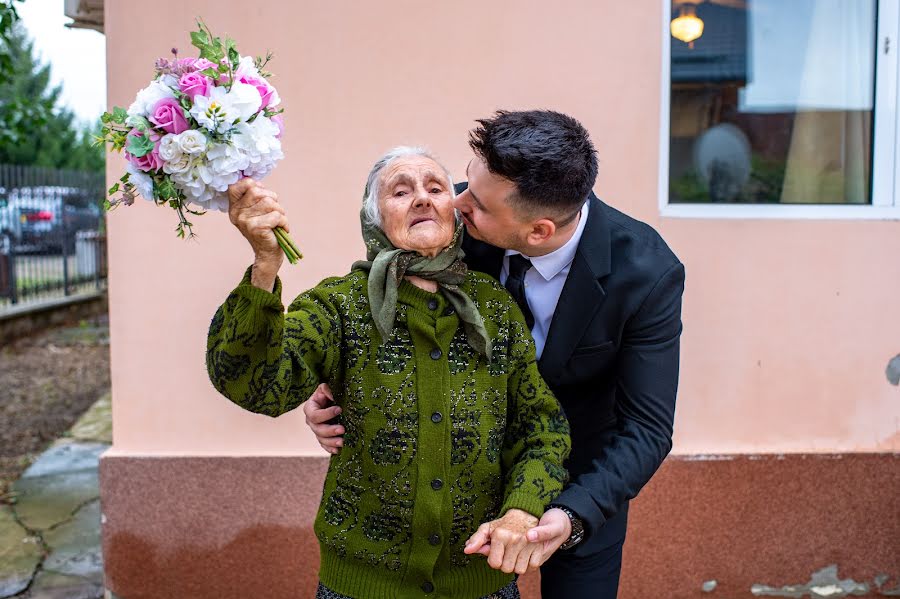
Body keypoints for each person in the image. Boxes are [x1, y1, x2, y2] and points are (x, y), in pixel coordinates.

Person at [305, 111, 685, 598]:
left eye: (476, 204)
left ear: (538, 232)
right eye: (464, 184)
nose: (456, 202)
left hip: (581, 483)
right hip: (458, 483)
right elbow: (380, 289)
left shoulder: (648, 273)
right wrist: (329, 387)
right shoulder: (464, 211)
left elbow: (647, 428)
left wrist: (570, 516)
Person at [206, 146, 572, 599]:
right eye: (401, 191)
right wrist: (265, 265)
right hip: (361, 585)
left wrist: (521, 511)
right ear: (374, 219)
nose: (421, 198)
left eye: (435, 188)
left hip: (480, 582)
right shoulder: (339, 305)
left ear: (455, 214)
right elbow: (255, 385)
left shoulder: (494, 307)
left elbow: (541, 427)